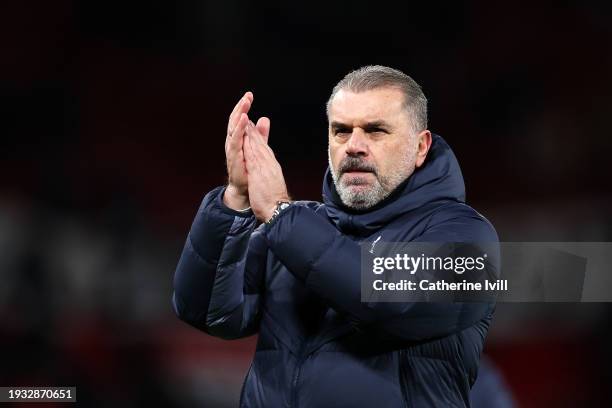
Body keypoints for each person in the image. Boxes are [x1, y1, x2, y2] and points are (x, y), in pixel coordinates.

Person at [172, 65, 499, 407]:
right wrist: (235, 198)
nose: (354, 146)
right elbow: (208, 312)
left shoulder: (467, 236)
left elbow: (384, 302)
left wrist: (282, 215)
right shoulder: (297, 229)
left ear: (420, 147)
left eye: (375, 130)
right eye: (341, 131)